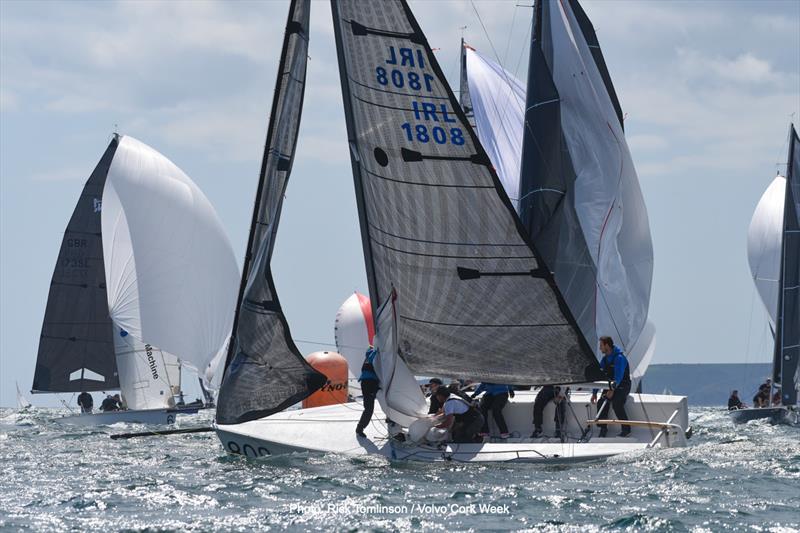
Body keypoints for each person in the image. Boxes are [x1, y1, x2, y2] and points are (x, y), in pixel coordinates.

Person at [591, 336, 632, 437]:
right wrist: (594, 393)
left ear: (607, 345)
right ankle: (603, 428)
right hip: (610, 386)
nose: (600, 348)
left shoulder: (619, 358)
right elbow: (598, 376)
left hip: (622, 385)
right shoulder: (604, 360)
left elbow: (619, 376)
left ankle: (626, 429)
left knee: (617, 403)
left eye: (601, 345)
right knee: (601, 402)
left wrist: (612, 390)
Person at [355, 346, 380, 438]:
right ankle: (359, 429)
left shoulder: (367, 357)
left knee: (368, 408)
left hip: (369, 384)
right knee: (369, 409)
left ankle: (390, 419)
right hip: (370, 384)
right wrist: (378, 349)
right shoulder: (372, 355)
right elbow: (373, 357)